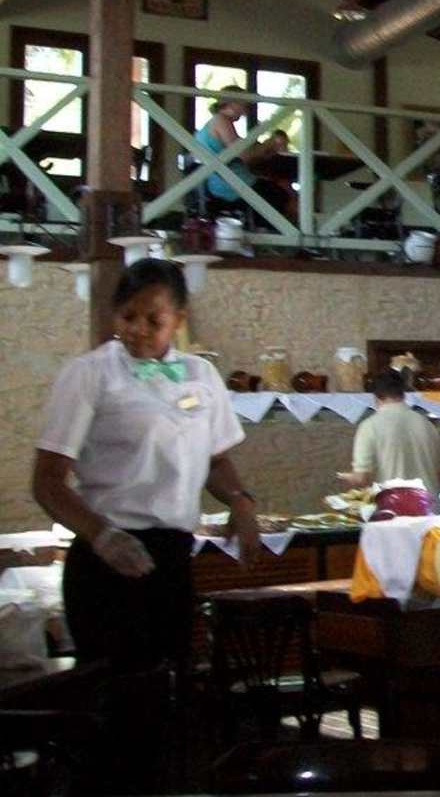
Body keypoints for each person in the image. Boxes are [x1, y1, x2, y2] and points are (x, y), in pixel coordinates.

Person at [30, 259, 259, 790]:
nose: (137, 329)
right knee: (115, 716)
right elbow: (47, 482)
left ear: (179, 318)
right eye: (127, 317)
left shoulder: (201, 376)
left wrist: (241, 502)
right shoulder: (90, 374)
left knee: (166, 710)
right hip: (107, 560)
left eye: (152, 320)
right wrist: (102, 536)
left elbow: (217, 460)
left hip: (172, 556)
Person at [337, 370, 440, 495]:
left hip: (391, 503)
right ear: (403, 394)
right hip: (428, 502)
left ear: (375, 397)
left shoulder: (369, 426)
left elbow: (361, 478)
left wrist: (346, 477)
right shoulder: (426, 424)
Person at [194, 86, 293, 215]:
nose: (245, 110)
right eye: (243, 104)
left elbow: (244, 154)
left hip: (222, 182)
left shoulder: (214, 123)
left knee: (279, 186)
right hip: (233, 185)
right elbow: (244, 155)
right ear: (233, 103)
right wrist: (271, 142)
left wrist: (267, 148)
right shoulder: (221, 121)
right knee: (283, 195)